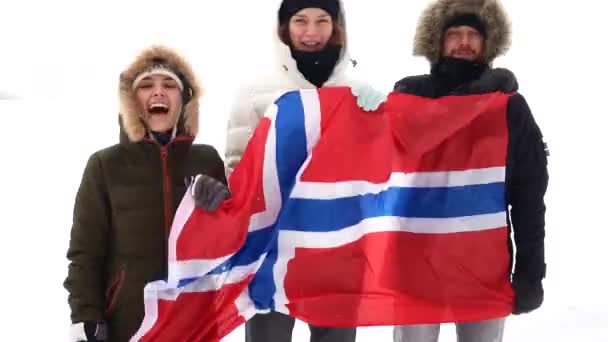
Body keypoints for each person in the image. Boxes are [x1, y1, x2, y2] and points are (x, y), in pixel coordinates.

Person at [391, 0, 548, 341]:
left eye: (473, 34)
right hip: (415, 265)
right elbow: (372, 178)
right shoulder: (407, 100)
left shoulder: (509, 108)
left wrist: (530, 271)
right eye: (454, 34)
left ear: (487, 41)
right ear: (437, 40)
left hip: (483, 266)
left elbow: (529, 194)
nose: (464, 42)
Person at [64, 45, 227, 342]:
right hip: (128, 322)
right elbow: (85, 252)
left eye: (169, 85)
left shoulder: (207, 160)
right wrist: (86, 315)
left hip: (195, 319)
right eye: (146, 86)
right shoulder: (104, 165)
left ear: (184, 99)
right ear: (132, 101)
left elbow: (231, 240)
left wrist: (223, 203)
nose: (158, 93)